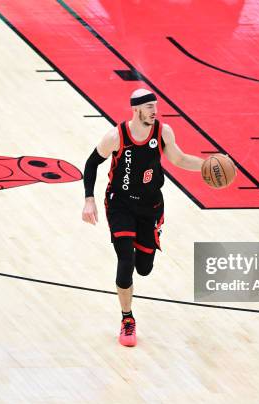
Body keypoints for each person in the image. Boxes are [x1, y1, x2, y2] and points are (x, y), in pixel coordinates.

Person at [82, 88, 204, 347]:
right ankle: (127, 319)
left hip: (150, 207)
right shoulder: (117, 136)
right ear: (136, 109)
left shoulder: (163, 132)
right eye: (149, 107)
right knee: (125, 260)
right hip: (120, 205)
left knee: (143, 269)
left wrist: (206, 164)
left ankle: (147, 237)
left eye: (155, 106)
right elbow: (91, 163)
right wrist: (89, 199)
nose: (154, 111)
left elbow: (179, 159)